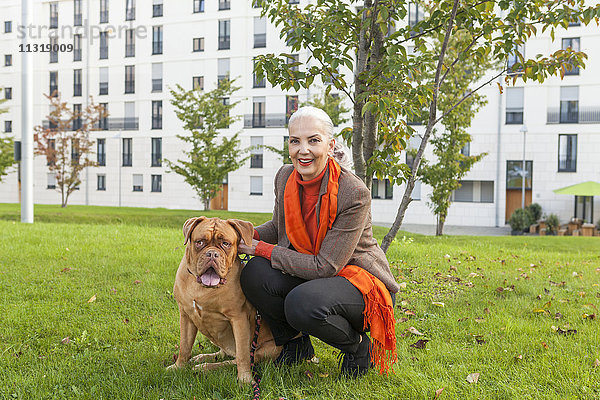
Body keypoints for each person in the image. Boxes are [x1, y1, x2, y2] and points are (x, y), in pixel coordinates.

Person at [238, 106, 399, 378]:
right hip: (312, 270)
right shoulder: (285, 177)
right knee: (254, 272)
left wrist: (261, 248)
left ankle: (359, 347)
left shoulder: (354, 192)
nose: (303, 150)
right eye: (295, 141)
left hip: (359, 283)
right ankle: (296, 345)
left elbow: (326, 266)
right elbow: (279, 229)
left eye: (313, 140)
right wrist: (237, 234)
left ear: (330, 144)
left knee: (301, 303)